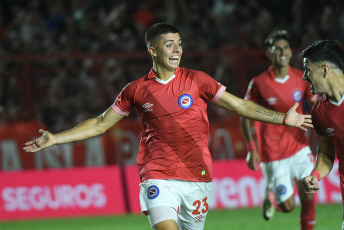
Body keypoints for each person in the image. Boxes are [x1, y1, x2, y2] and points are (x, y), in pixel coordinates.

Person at [23, 23, 313, 230]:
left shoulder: (198, 80)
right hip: (158, 175)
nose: (177, 49)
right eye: (169, 44)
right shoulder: (135, 90)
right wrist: (55, 139)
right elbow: (100, 123)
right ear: (152, 50)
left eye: (180, 43)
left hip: (198, 176)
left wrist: (282, 118)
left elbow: (239, 105)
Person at [241, 30, 317, 230]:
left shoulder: (302, 78)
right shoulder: (258, 83)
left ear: (291, 52)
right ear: (269, 53)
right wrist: (251, 149)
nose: (282, 52)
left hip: (300, 148)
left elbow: (317, 106)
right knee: (288, 206)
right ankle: (272, 197)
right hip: (272, 154)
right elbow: (245, 115)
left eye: (285, 47)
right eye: (277, 48)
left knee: (309, 192)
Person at [301, 40, 344, 230]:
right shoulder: (319, 112)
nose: (304, 76)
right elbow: (326, 154)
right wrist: (315, 175)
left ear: (325, 69)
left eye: (308, 70)